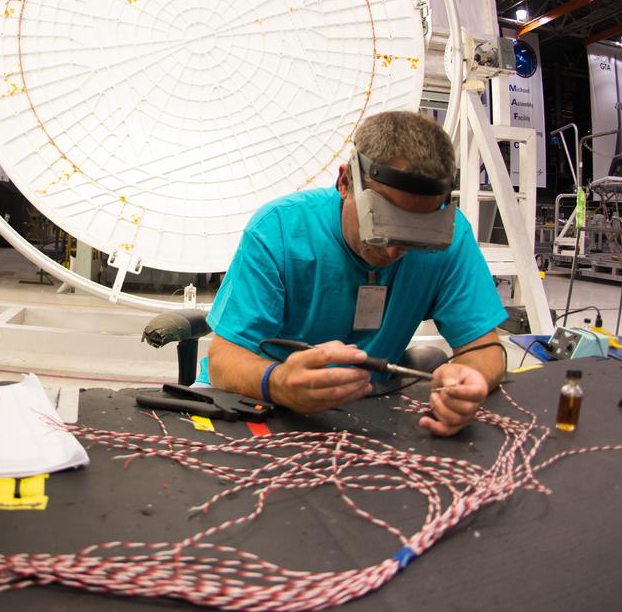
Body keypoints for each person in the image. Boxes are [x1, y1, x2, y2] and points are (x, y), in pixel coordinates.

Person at [200, 111, 507, 436]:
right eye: (382, 226)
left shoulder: (453, 238)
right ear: (345, 182)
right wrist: (278, 382)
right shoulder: (280, 229)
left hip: (362, 409)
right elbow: (223, 360)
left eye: (416, 236)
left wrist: (471, 379)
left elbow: (483, 348)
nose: (393, 252)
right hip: (254, 400)